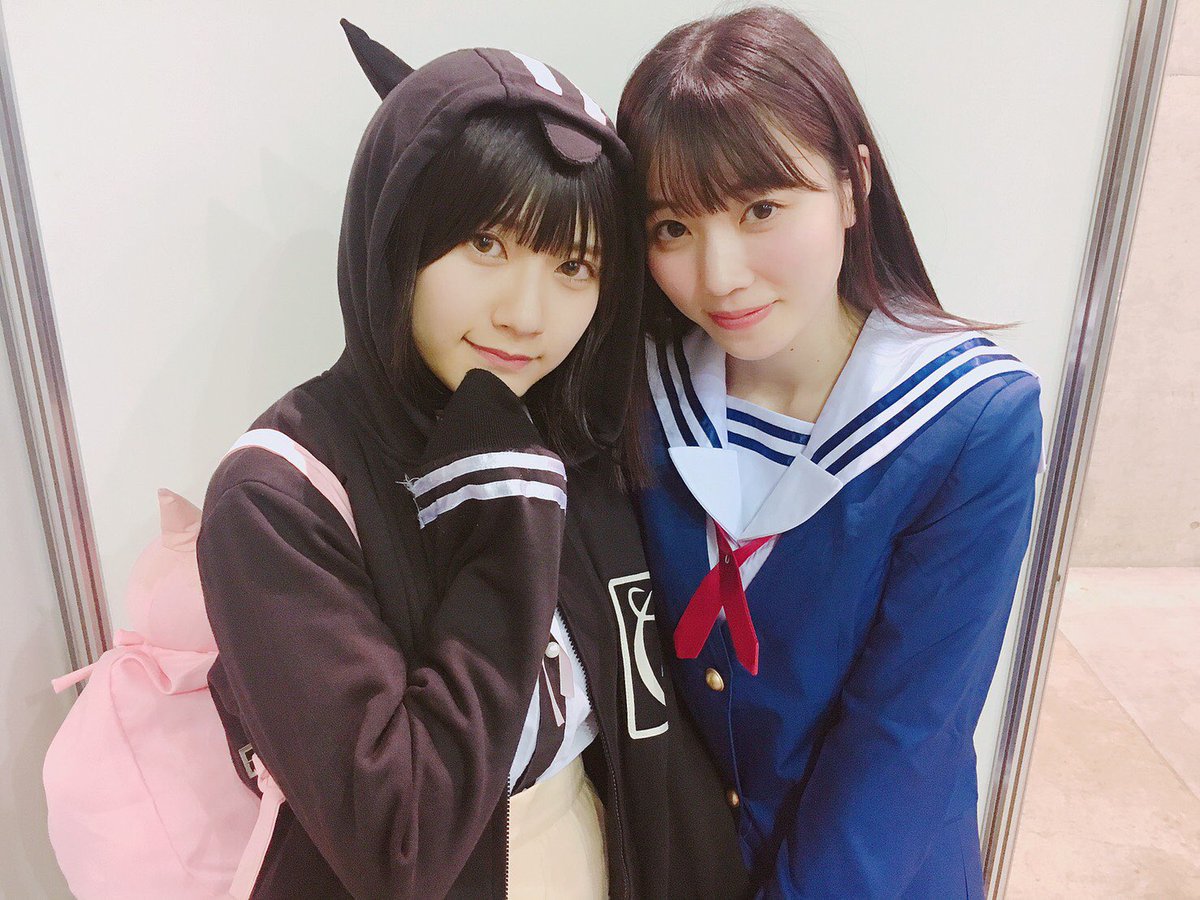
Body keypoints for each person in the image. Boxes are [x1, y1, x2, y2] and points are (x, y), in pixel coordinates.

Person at [197, 22, 747, 899]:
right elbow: (400, 842)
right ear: (395, 235)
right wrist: (503, 516)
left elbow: (643, 724)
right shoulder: (279, 497)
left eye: (574, 265)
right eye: (486, 245)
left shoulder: (574, 434)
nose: (526, 314)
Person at [617, 7, 1043, 898]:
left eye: (761, 208)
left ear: (853, 186)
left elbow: (907, 737)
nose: (719, 274)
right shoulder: (639, 391)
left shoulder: (970, 421)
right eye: (672, 228)